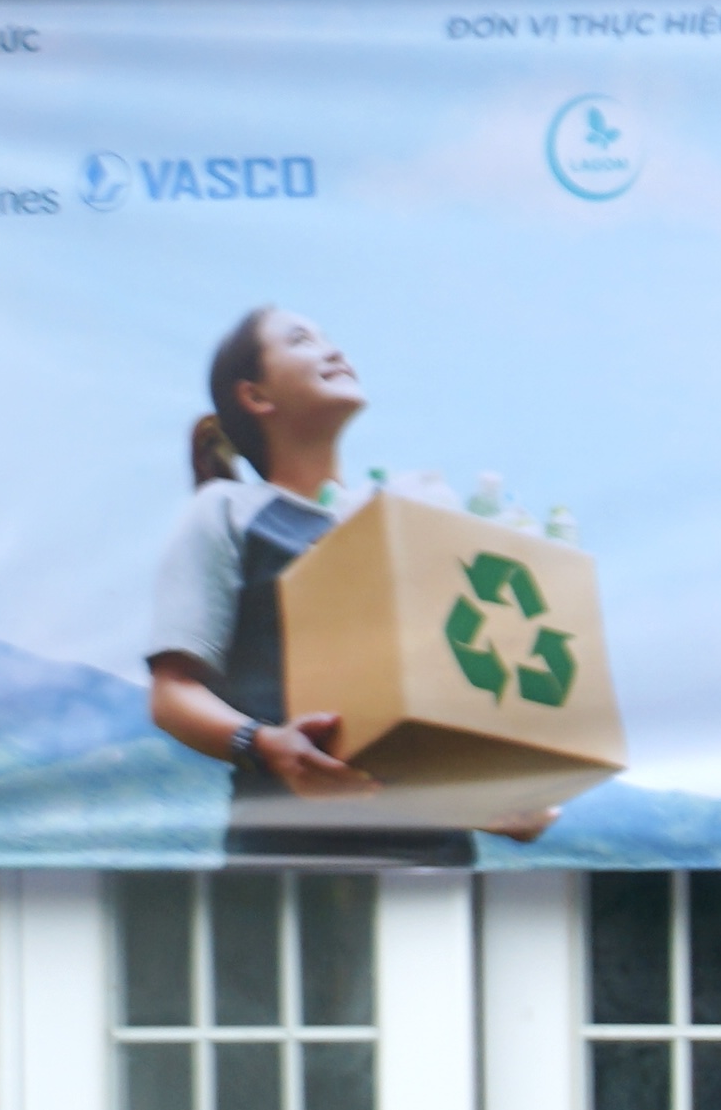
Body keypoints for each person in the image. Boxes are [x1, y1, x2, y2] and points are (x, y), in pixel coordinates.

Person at [141, 305, 529, 863]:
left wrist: (510, 790)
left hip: (434, 853)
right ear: (256, 396)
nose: (334, 350)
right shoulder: (228, 512)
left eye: (331, 339)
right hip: (290, 854)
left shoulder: (396, 525)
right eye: (302, 339)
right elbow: (172, 693)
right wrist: (266, 746)